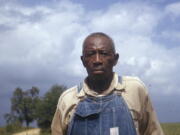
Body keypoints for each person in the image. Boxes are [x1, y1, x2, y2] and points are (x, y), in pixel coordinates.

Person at [51, 32, 164, 135]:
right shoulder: (68, 99)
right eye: (90, 54)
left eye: (104, 53)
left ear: (115, 59)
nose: (97, 60)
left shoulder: (135, 89)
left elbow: (153, 131)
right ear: (83, 60)